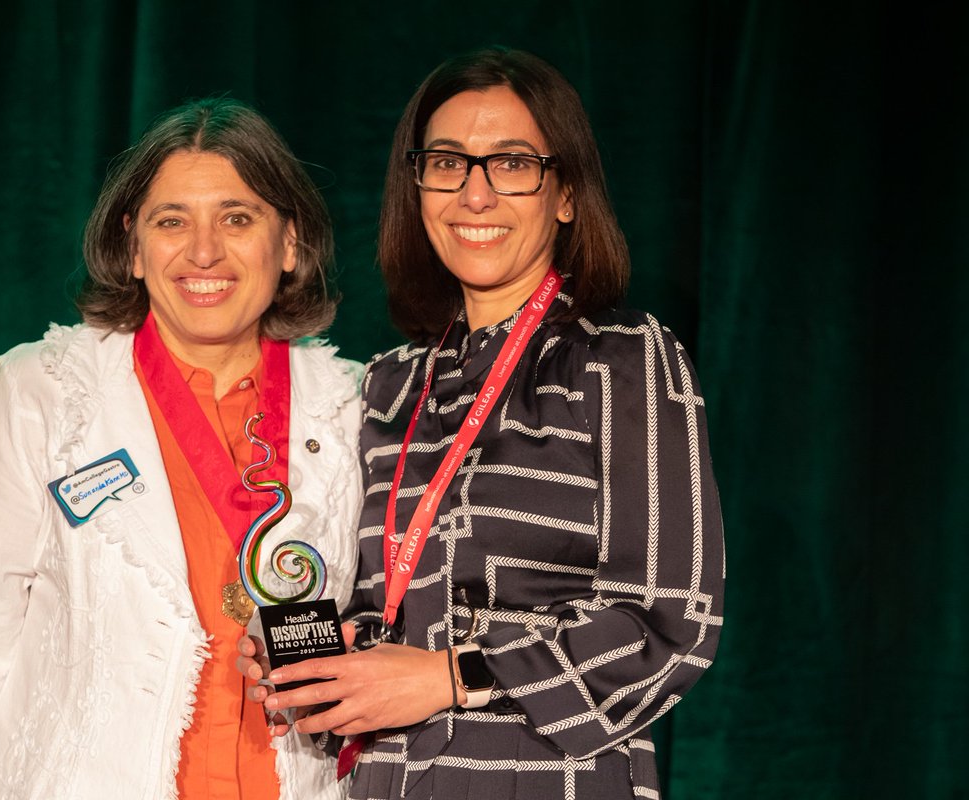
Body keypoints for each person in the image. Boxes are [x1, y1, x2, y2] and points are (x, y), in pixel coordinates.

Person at [238, 47, 724, 799]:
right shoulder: (389, 384)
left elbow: (667, 625)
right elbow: (388, 615)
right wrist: (324, 664)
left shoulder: (622, 359)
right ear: (418, 186)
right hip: (389, 781)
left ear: (565, 194)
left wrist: (452, 676)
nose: (475, 193)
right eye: (449, 163)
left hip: (551, 780)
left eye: (511, 163)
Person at [0, 98, 363, 800]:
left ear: (289, 244)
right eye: (172, 222)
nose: (203, 252)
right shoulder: (44, 392)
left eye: (237, 218)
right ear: (132, 245)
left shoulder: (357, 405)